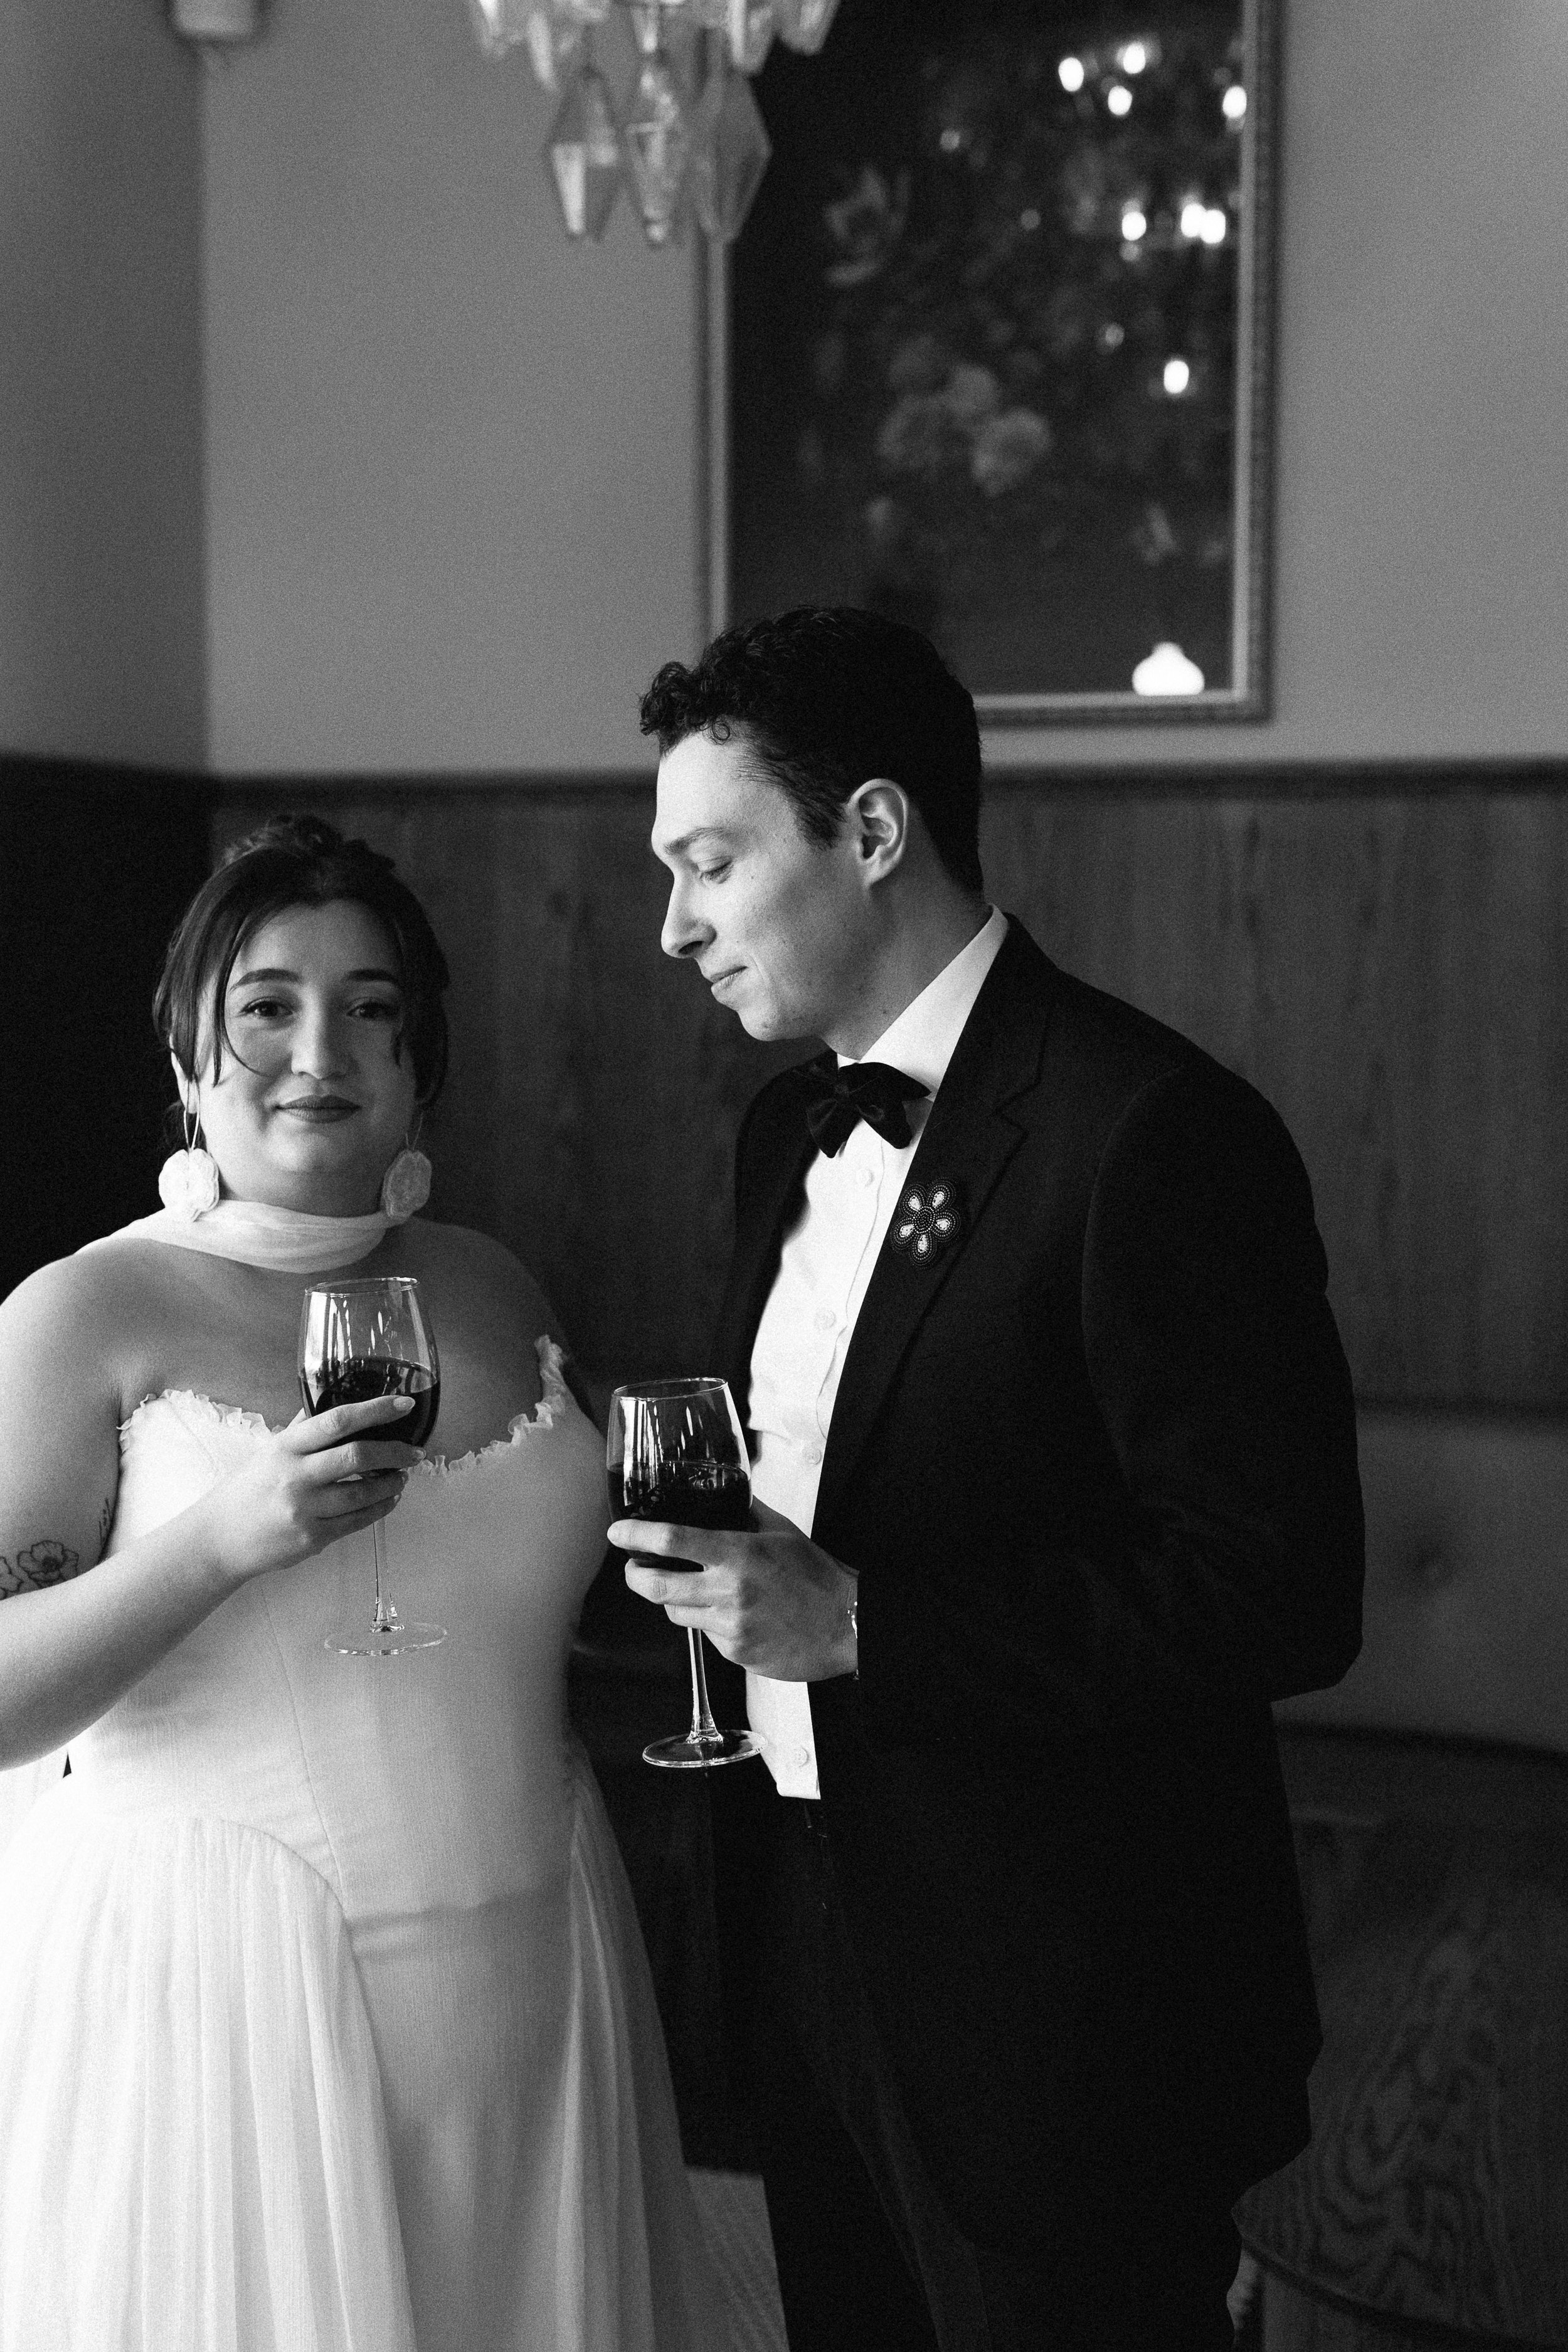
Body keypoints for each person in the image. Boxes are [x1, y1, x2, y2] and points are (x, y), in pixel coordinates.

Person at [615, 608, 1366, 2352]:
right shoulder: (779, 1127)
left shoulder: (1151, 1130)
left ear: (871, 833)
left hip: (1067, 1987)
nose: (672, 925)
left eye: (708, 861)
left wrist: (867, 1620)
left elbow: (1279, 1585)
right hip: (807, 1923)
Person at [0, 815, 727, 2352]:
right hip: (229, 1992)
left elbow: (520, 1586)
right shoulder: (83, 1312)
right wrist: (220, 1542)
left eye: (370, 1005)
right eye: (265, 1004)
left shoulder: (488, 1279)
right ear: (191, 1050)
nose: (316, 1047)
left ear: (418, 1063)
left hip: (531, 1948)